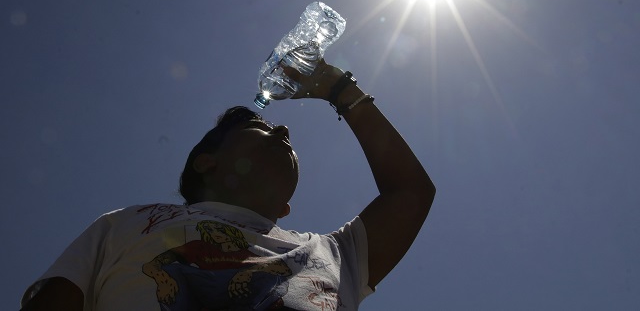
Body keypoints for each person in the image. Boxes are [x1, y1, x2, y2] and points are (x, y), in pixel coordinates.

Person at [20, 60, 436, 310]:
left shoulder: (333, 254)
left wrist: (338, 88)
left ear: (283, 209)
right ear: (207, 161)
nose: (286, 127)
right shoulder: (125, 224)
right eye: (259, 124)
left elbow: (411, 192)